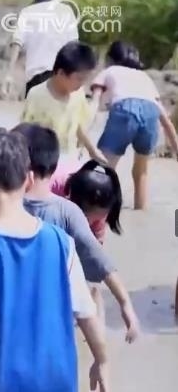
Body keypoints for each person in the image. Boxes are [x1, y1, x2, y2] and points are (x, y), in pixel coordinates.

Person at [0, 128, 108, 392]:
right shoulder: (61, 242)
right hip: (56, 383)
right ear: (29, 179)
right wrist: (101, 359)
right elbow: (86, 311)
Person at [13, 124, 139, 343]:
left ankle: (94, 329)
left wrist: (125, 304)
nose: (92, 222)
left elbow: (98, 259)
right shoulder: (48, 193)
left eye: (98, 218)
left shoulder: (97, 202)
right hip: (45, 211)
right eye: (89, 218)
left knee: (87, 277)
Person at [91, 40, 178, 210]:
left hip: (125, 110)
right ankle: (141, 209)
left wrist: (83, 132)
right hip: (151, 113)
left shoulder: (109, 71)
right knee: (141, 171)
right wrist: (176, 148)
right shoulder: (144, 77)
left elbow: (94, 103)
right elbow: (164, 119)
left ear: (110, 59)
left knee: (105, 169)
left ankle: (98, 211)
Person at [20, 41, 104, 189]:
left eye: (85, 79)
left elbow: (79, 126)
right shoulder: (37, 95)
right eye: (79, 79)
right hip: (43, 166)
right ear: (60, 73)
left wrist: (92, 150)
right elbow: (26, 132)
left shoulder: (78, 94)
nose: (82, 84)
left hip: (70, 160)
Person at [2, 0, 78, 98]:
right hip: (62, 76)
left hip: (36, 77)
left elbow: (17, 43)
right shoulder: (66, 11)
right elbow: (74, 46)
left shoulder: (27, 12)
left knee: (35, 110)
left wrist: (9, 74)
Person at [55, 159, 124, 245]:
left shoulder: (101, 206)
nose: (91, 223)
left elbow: (97, 242)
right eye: (86, 219)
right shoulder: (53, 190)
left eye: (98, 219)